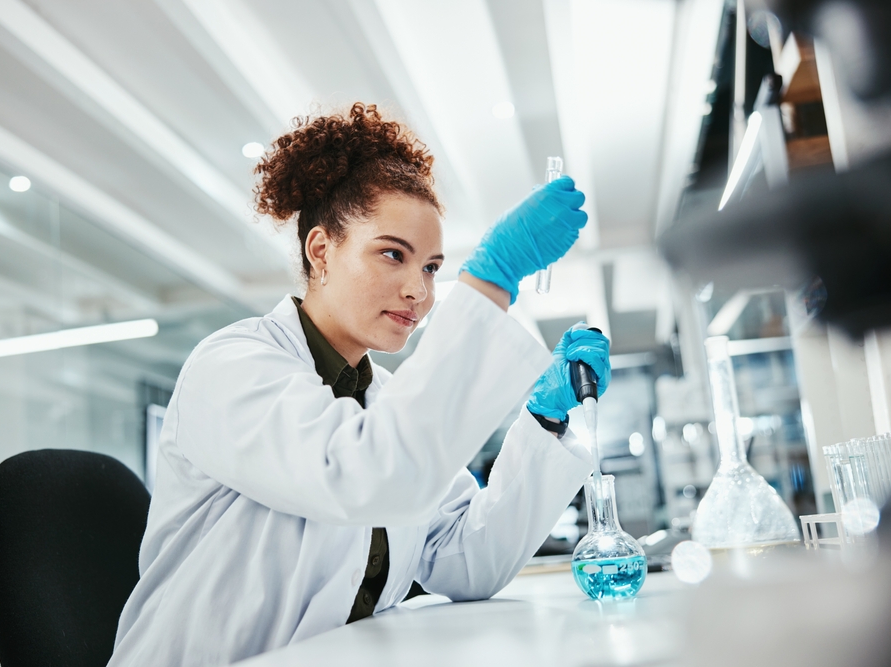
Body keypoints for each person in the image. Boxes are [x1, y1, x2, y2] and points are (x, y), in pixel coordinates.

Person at [108, 103, 610, 666]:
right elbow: (365, 474)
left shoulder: (387, 400)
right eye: (393, 254)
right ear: (321, 251)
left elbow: (466, 559)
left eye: (431, 267)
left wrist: (544, 418)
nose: (419, 292)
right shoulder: (230, 366)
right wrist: (491, 283)